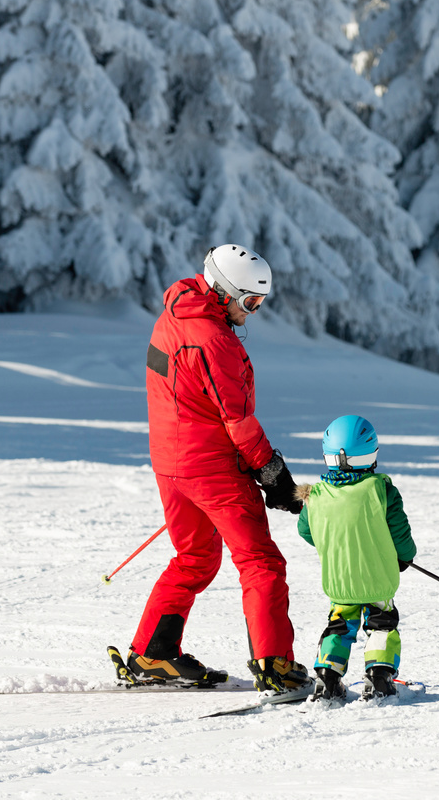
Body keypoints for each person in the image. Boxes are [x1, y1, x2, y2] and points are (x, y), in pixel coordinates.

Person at [116, 244, 311, 695]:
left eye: (260, 303)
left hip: (171, 464)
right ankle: (275, 665)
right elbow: (237, 420)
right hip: (212, 468)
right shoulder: (215, 341)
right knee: (260, 561)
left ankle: (152, 654)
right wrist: (272, 473)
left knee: (195, 558)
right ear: (223, 293)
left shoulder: (173, 314)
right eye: (249, 302)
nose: (254, 312)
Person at [295, 414, 416, 703]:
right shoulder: (381, 490)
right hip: (377, 578)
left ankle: (327, 677)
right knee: (382, 623)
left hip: (340, 579)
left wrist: (334, 544)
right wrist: (405, 557)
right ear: (371, 453)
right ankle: (379, 676)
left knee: (339, 625)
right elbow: (399, 532)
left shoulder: (316, 495)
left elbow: (306, 530)